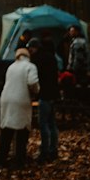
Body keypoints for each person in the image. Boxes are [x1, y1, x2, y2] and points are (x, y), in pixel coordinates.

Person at [0, 46, 39, 169]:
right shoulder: (30, 66)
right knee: (22, 131)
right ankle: (19, 160)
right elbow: (32, 82)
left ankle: (1, 159)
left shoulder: (11, 67)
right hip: (21, 100)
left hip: (6, 99)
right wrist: (36, 92)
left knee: (6, 130)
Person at [30, 34, 60, 163]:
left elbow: (36, 79)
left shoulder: (37, 59)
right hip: (54, 94)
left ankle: (44, 152)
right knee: (52, 123)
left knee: (43, 124)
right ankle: (53, 150)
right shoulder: (52, 58)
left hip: (45, 94)